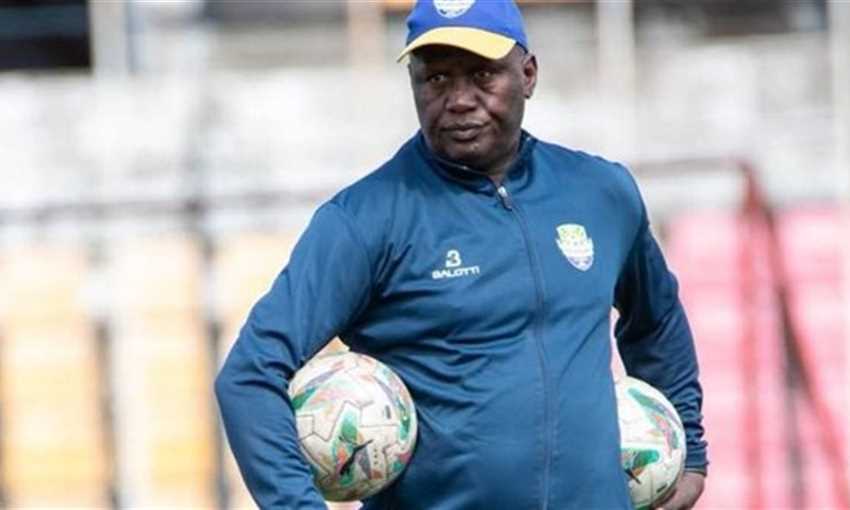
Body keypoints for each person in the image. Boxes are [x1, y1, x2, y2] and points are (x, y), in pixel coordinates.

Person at [215, 1, 708, 508]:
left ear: (528, 74)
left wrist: (689, 449)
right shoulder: (364, 219)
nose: (459, 100)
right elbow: (250, 374)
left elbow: (656, 322)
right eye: (436, 78)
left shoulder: (601, 192)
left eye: (482, 75)